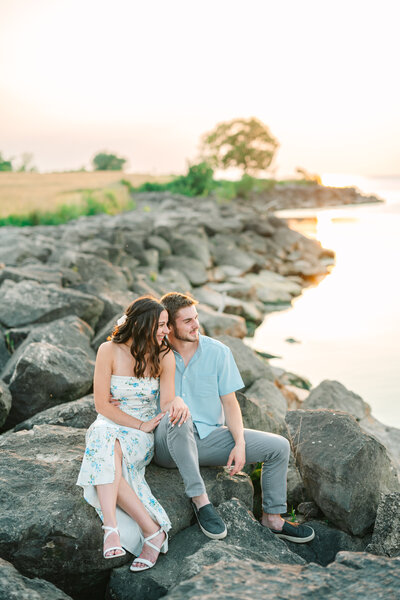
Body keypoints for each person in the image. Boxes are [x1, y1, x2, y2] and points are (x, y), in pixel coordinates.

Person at [151, 292, 315, 544]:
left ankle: (273, 518)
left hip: (206, 439)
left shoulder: (218, 352)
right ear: (169, 326)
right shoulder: (154, 352)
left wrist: (239, 443)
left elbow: (230, 403)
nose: (196, 325)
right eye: (187, 321)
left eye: (196, 318)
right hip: (166, 444)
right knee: (180, 415)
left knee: (279, 446)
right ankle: (200, 500)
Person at [77, 296, 184, 572]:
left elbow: (166, 401)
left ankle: (122, 530)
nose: (166, 331)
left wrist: (177, 404)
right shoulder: (107, 351)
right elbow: (101, 404)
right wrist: (134, 423)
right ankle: (128, 529)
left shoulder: (164, 354)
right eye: (161, 325)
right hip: (110, 422)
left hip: (142, 431)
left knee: (105, 448)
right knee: (103, 437)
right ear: (145, 324)